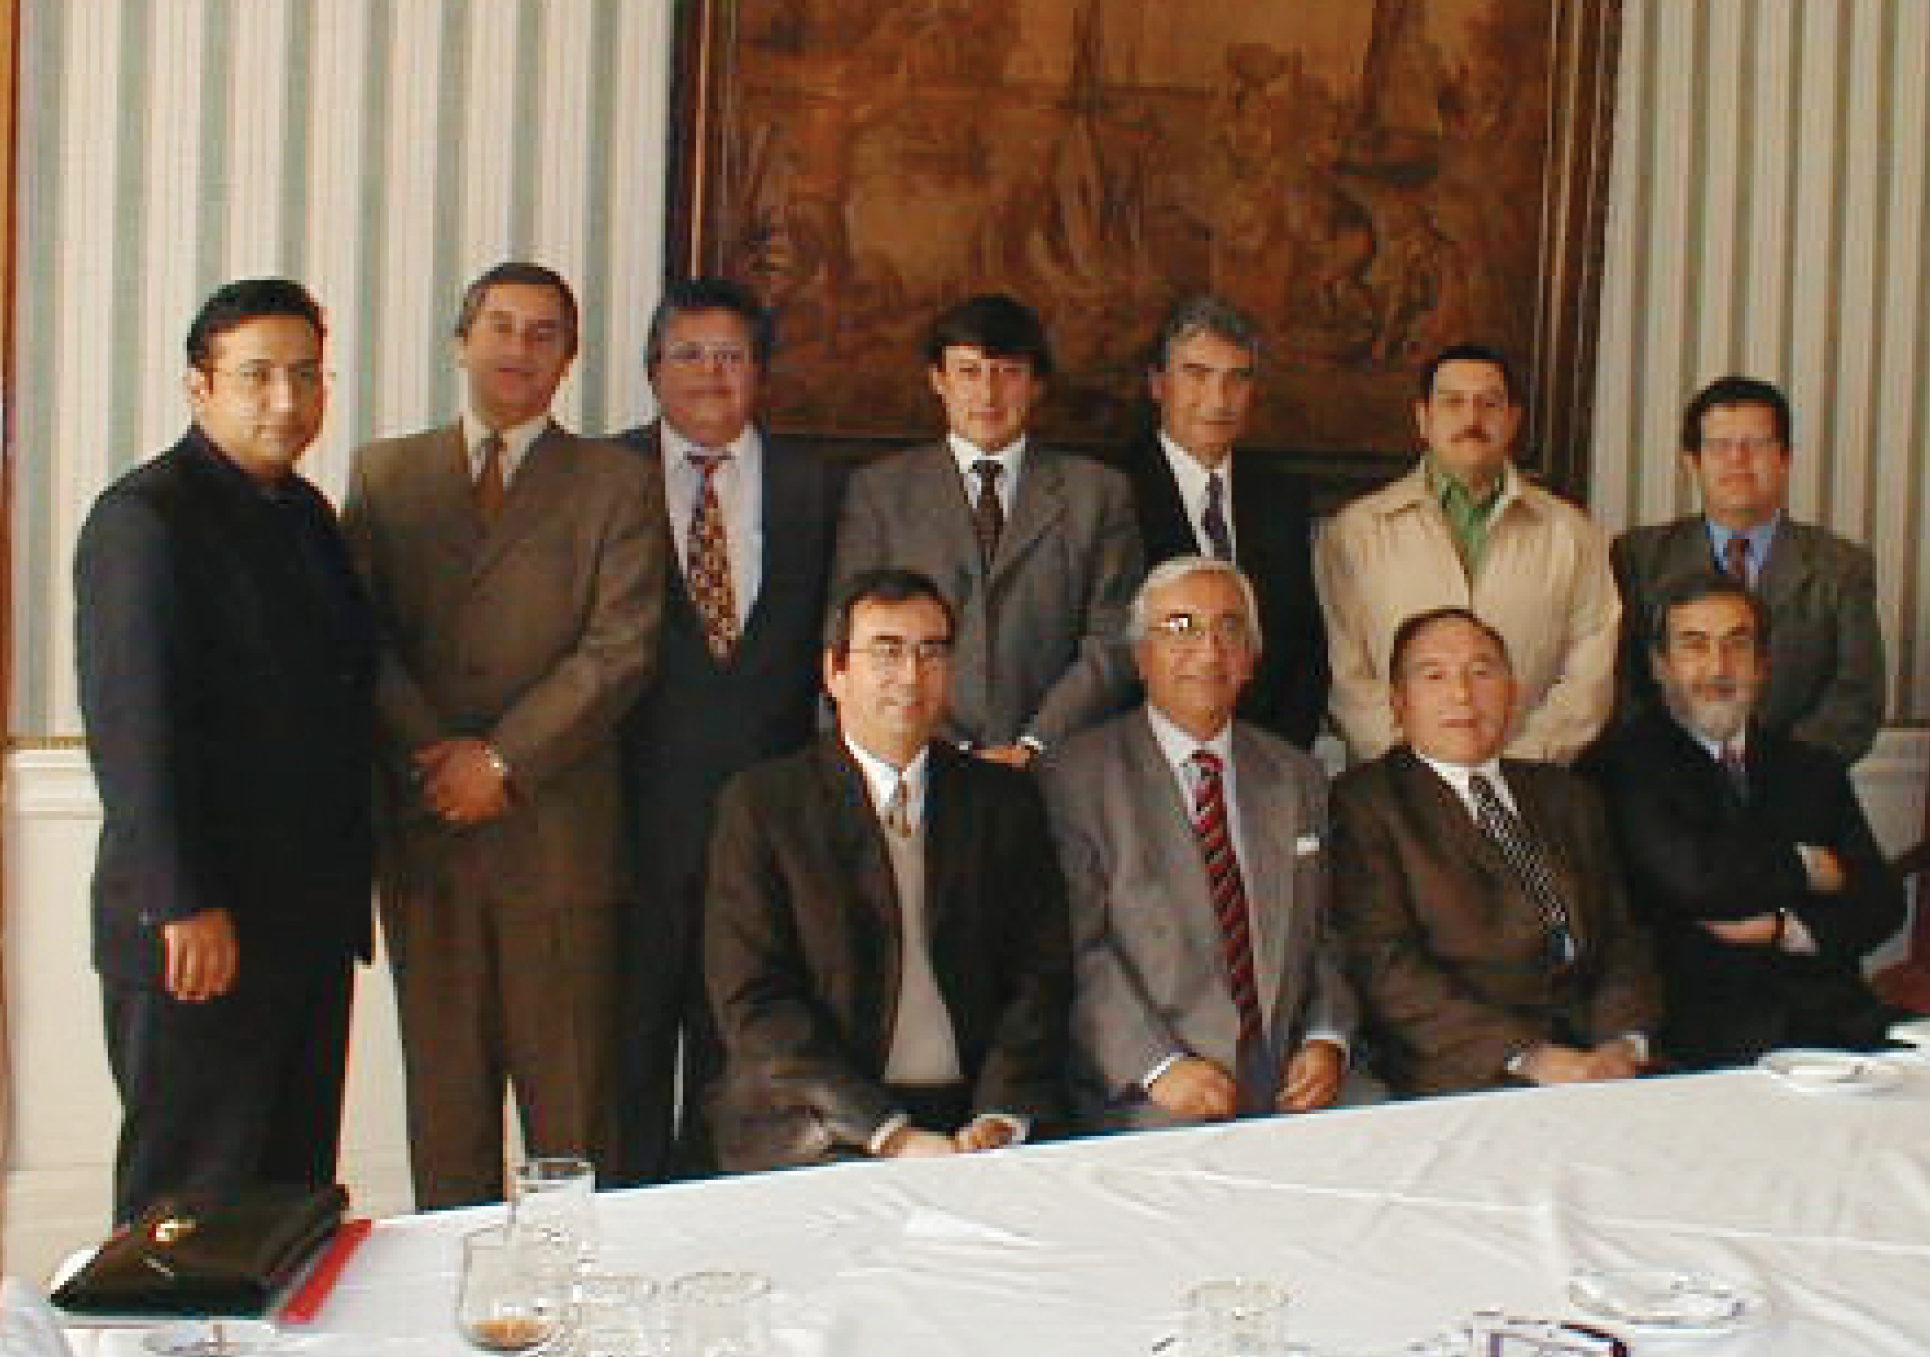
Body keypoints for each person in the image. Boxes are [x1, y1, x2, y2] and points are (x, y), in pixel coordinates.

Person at [343, 262, 664, 1208]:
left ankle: (583, 1294)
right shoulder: (386, 474)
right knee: (447, 1123)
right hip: (427, 839)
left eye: (543, 332)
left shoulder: (617, 482)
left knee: (576, 1119)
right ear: (461, 342)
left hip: (560, 844)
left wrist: (500, 759)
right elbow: (359, 637)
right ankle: (455, 1290)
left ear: (570, 357)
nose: (519, 348)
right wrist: (441, 760)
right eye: (501, 326)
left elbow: (622, 648)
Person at [75, 278, 376, 1224]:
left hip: (304, 925)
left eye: (306, 375)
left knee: (288, 1203)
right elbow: (134, 727)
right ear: (199, 387)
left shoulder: (307, 513)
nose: (287, 399)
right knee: (188, 1206)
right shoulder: (146, 519)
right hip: (200, 932)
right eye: (257, 375)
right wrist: (183, 900)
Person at [704, 569, 1071, 1171]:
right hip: (822, 1129)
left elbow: (1041, 975)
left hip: (977, 1123)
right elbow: (754, 1003)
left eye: (931, 652)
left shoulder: (1002, 802)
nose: (910, 675)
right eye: (887, 651)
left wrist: (1001, 1113)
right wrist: (889, 1134)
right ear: (835, 672)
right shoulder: (763, 807)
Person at [609, 278, 844, 1182]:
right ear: (652, 370)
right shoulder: (599, 475)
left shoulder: (817, 485)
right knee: (624, 1064)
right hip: (627, 826)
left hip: (768, 834)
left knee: (745, 1065)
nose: (711, 374)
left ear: (761, 372)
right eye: (689, 354)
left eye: (732, 355)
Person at [1042, 557, 1354, 1132]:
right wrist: (1159, 1067)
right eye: (1181, 628)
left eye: (1229, 628)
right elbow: (1076, 952)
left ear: (1251, 658)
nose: (1208, 651)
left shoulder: (1297, 775)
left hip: (1292, 1077)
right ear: (1141, 657)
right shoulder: (1077, 778)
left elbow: (1330, 933)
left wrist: (1325, 1038)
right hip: (1148, 1090)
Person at [1329, 608, 1659, 1096]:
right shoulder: (1367, 803)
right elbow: (1384, 966)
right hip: (1468, 1070)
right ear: (1398, 702)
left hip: (1601, 1060)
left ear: (1512, 692)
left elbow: (1621, 935)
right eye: (1434, 676)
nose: (1462, 694)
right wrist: (1532, 1057)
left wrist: (1622, 1041)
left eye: (1482, 672)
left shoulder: (1567, 794)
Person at [1584, 576, 1906, 1068]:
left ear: (1763, 664)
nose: (1718, 667)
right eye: (1695, 646)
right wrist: (1807, 867)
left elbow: (1882, 903)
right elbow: (1697, 880)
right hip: (1698, 1038)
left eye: (1737, 644)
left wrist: (1785, 928)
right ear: (1660, 666)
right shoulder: (1622, 766)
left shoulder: (1812, 767)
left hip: (1837, 1025)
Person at [831, 293, 1142, 767]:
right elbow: (851, 635)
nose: (988, 394)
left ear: (1037, 385)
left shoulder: (1098, 494)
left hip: (1059, 764)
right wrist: (950, 750)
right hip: (916, 760)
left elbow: (1114, 638)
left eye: (1008, 373)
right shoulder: (879, 493)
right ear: (938, 380)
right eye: (969, 372)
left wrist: (1034, 744)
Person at [1315, 343, 1619, 764]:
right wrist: (1421, 775)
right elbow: (1346, 677)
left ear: (1513, 420)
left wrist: (1516, 770)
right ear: (1423, 418)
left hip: (1532, 781)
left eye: (1489, 404)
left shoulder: (1573, 534)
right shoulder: (1355, 533)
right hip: (1394, 786)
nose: (1471, 419)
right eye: (1453, 402)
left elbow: (1589, 677)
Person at [1610, 376, 1885, 766]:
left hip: (1800, 784)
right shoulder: (1637, 558)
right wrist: (1685, 772)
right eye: (1720, 446)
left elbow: (1857, 698)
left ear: (1785, 459)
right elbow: (1624, 688)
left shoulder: (1841, 567)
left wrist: (1780, 773)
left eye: (1756, 444)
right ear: (1692, 461)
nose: (1737, 459)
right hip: (1666, 783)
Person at [1115, 296, 1328, 748]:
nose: (1218, 399)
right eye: (1197, 375)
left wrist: (1277, 754)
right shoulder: (1112, 492)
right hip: (1140, 756)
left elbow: (1305, 646)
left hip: (1267, 758)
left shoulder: (1281, 495)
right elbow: (1108, 647)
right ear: (1158, 384)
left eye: (1237, 378)